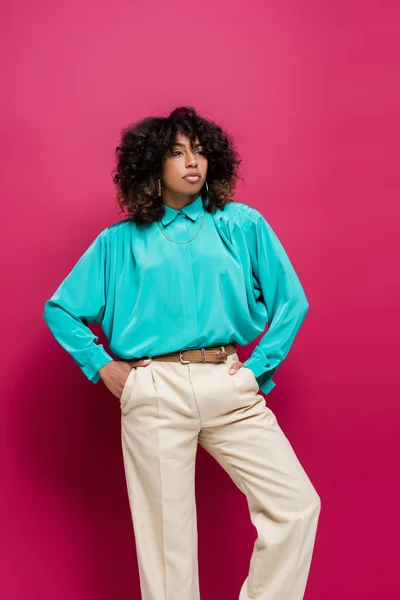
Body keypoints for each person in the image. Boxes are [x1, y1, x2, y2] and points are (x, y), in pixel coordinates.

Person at [43, 105, 321, 600]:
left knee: (297, 505)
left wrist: (256, 371)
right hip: (154, 389)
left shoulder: (241, 225)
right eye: (176, 152)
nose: (192, 162)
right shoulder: (118, 243)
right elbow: (61, 310)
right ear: (152, 165)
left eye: (198, 151)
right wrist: (102, 366)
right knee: (167, 547)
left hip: (230, 383)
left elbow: (291, 302)